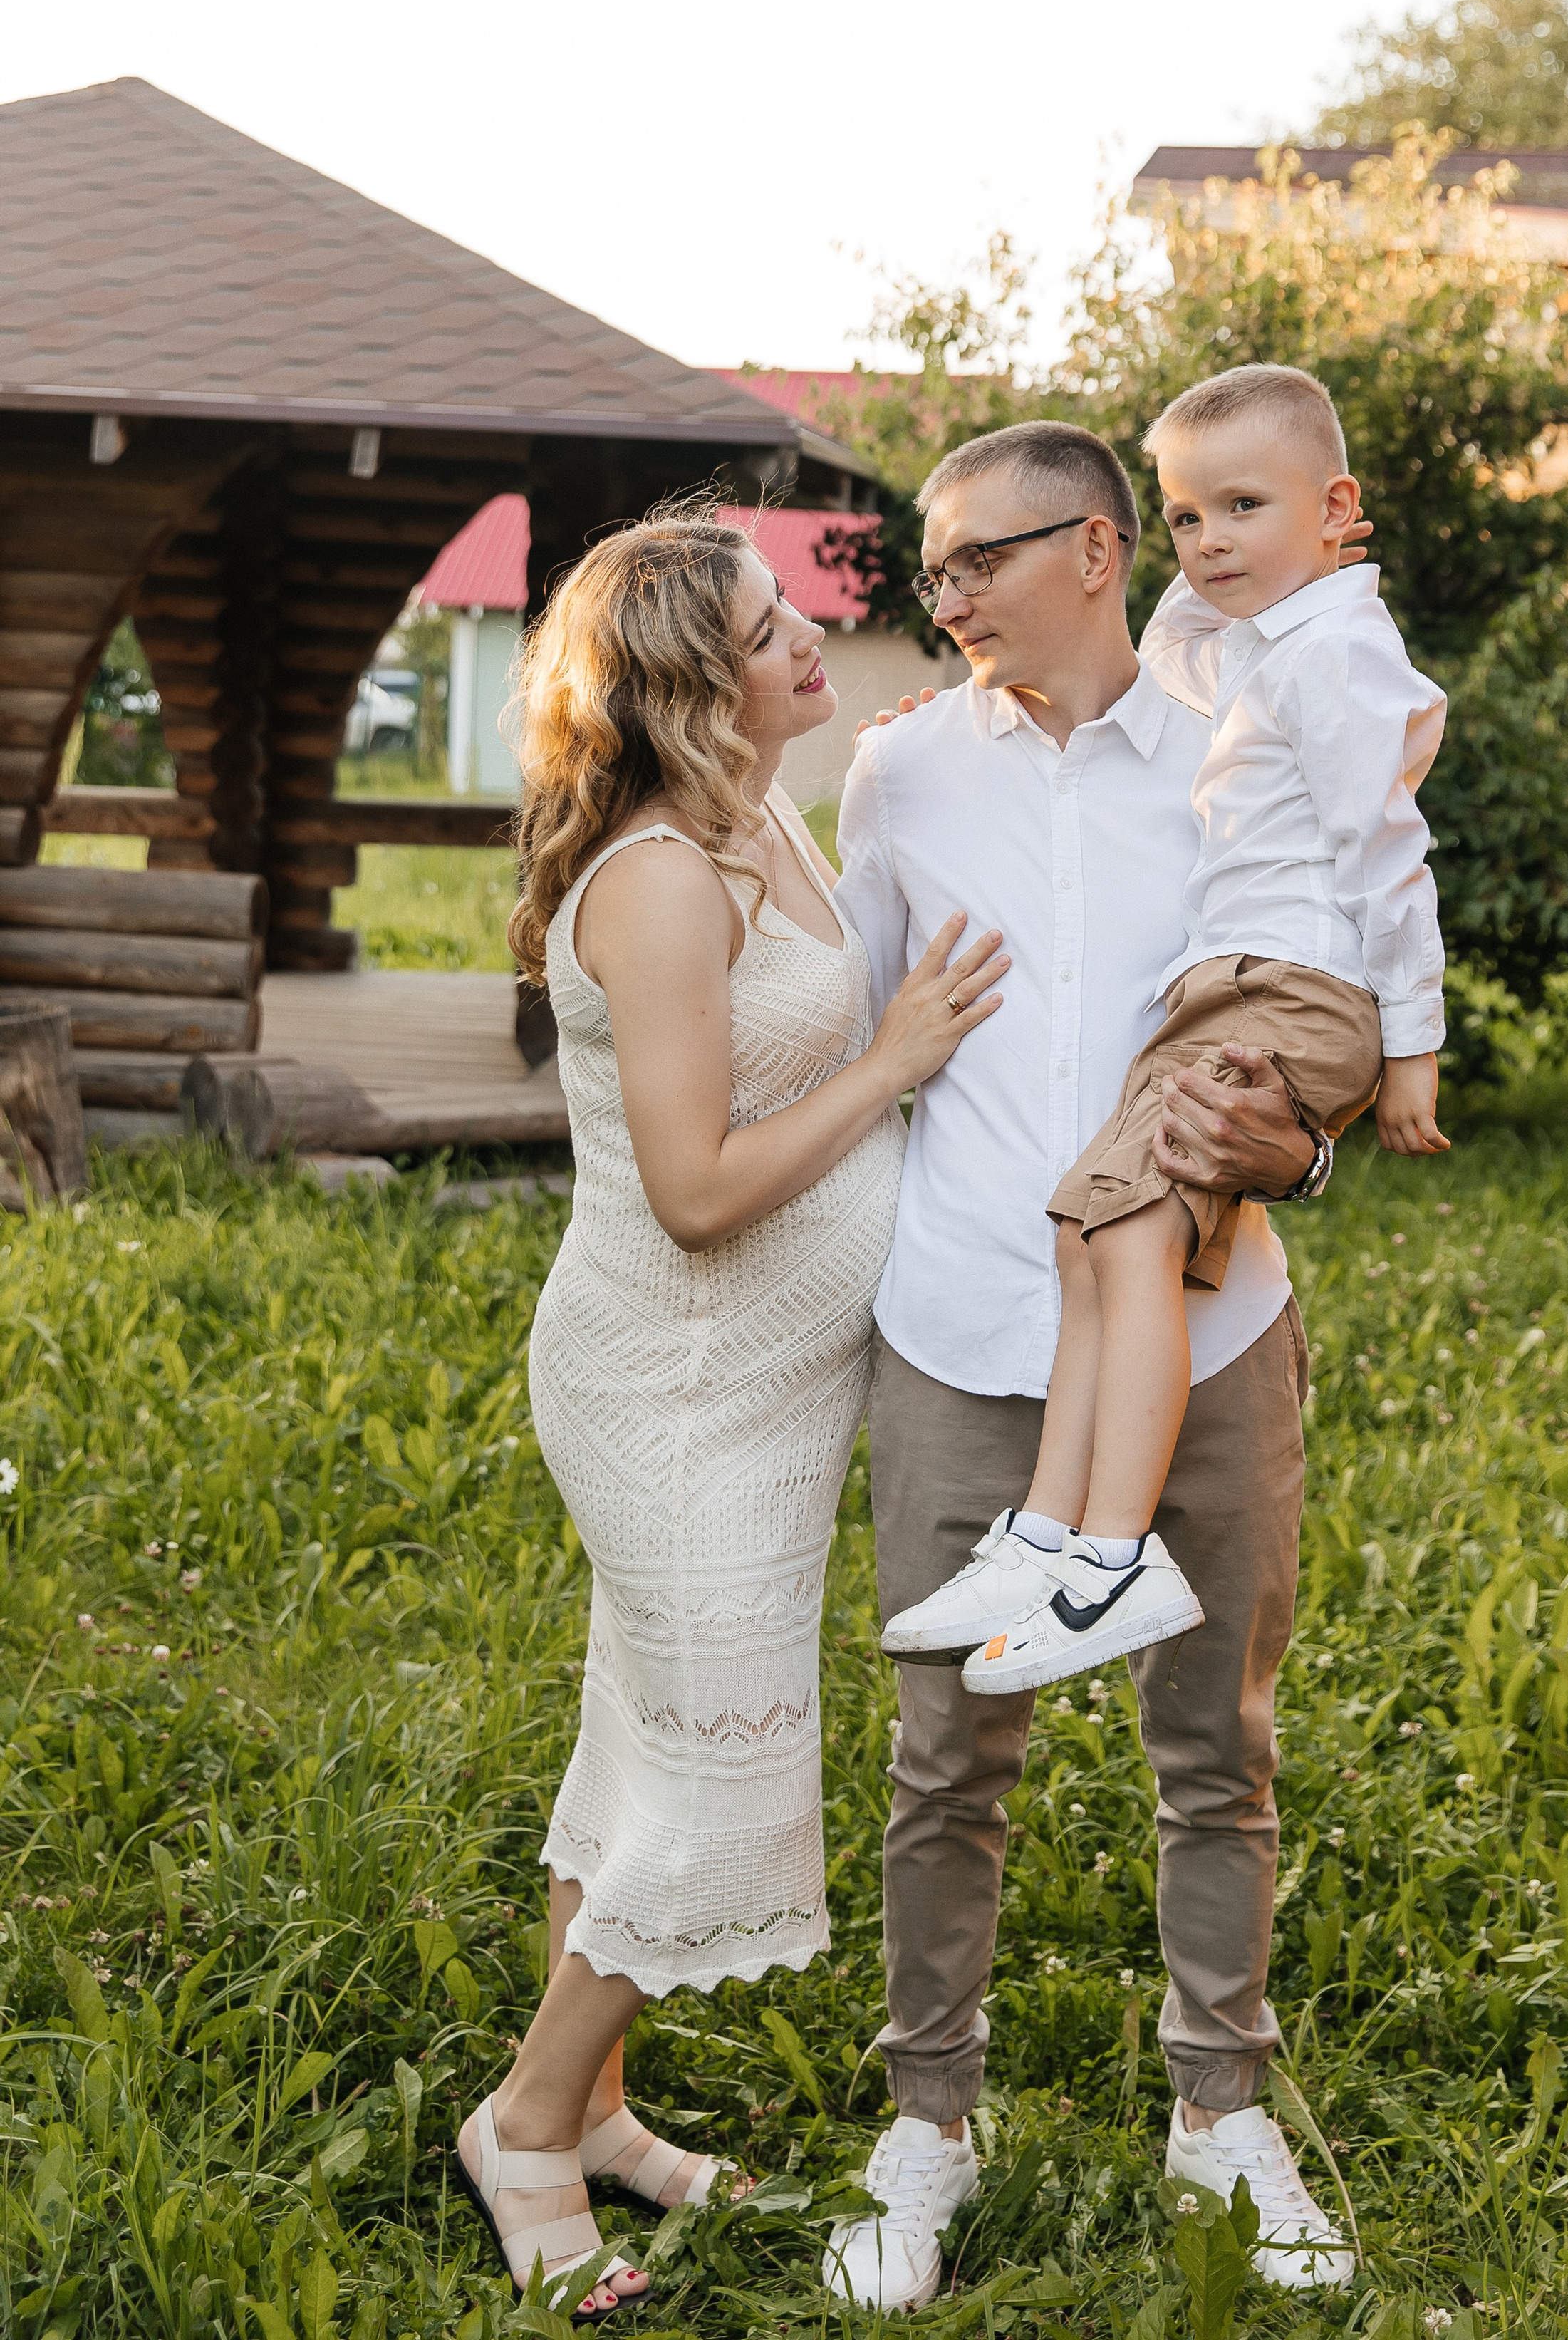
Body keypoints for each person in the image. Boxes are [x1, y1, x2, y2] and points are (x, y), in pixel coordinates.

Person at [826, 421, 1363, 2312]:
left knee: (1217, 1749)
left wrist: (1299, 1151)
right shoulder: (895, 775)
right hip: (962, 1332)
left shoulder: (1248, 755)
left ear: (1097, 548)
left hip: (1210, 1334)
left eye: (977, 558)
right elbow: (864, 1038)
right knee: (943, 1755)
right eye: (932, 567)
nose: (944, 595)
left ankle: (1221, 2108)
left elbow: (1316, 1033)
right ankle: (929, 2123)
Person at [455, 508, 1007, 2319]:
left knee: (640, 1742)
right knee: (716, 1780)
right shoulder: (656, 881)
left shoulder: (760, 818)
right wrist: (894, 1062)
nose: (805, 643)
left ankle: (599, 2111)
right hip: (675, 1386)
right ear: (692, 690)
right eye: (768, 634)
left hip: (764, 1387)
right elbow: (694, 1192)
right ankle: (524, 2129)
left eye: (789, 614)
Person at [888, 365, 1448, 1696]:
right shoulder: (1243, 663)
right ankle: (1051, 1537)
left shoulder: (1307, 679)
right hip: (1203, 1019)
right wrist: (1281, 543)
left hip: (1281, 1008)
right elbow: (1195, 624)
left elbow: (1390, 856)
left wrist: (1405, 1056)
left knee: (1126, 1236)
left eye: (1242, 507)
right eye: (1188, 518)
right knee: (1089, 1226)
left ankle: (1107, 1557)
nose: (1207, 545)